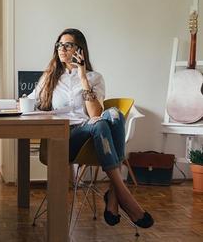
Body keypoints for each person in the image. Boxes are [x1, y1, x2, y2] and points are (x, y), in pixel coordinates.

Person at [27, 28, 154, 228]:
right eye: (59, 45)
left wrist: (83, 77)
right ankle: (121, 194)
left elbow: (94, 115)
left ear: (80, 50)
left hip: (94, 136)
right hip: (65, 138)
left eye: (68, 45)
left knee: (111, 115)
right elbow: (31, 104)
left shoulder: (95, 78)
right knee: (103, 120)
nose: (62, 49)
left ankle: (115, 193)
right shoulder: (48, 78)